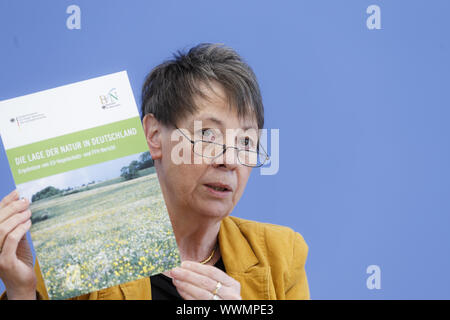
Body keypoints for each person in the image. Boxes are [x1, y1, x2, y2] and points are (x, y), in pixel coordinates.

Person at [0, 43, 310, 300]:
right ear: (153, 136)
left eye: (245, 141)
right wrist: (21, 291)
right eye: (208, 135)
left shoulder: (280, 254)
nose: (229, 161)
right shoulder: (84, 254)